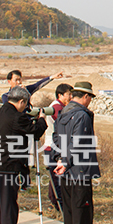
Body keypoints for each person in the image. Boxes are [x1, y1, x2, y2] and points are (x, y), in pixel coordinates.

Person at [0, 86, 47, 224]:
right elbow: (35, 132)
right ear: (21, 102)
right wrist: (41, 119)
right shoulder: (17, 117)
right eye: (25, 105)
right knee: (8, 206)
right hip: (6, 167)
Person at [52, 82, 102, 224]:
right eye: (90, 98)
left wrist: (59, 160)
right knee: (82, 206)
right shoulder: (82, 115)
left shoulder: (63, 113)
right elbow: (78, 142)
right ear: (86, 97)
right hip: (79, 169)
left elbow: (56, 138)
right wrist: (65, 161)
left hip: (65, 169)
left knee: (70, 207)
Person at [43, 83, 73, 211]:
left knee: (55, 178)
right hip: (52, 148)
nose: (71, 97)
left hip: (53, 146)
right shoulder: (56, 107)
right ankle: (59, 204)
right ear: (60, 95)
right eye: (69, 94)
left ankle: (56, 200)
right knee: (57, 179)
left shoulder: (59, 106)